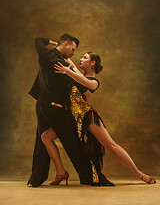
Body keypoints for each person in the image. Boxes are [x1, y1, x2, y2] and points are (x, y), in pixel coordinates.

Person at [51, 51, 156, 185]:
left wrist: (67, 70)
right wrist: (57, 49)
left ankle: (140, 174)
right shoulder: (79, 75)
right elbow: (73, 67)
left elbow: (84, 81)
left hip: (88, 117)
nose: (81, 59)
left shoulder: (94, 82)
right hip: (74, 119)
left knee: (111, 145)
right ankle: (61, 172)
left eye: (85, 58)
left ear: (92, 63)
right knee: (45, 137)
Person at [27, 35, 113, 187]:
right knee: (71, 143)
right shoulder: (61, 64)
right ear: (65, 44)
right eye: (72, 49)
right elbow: (81, 85)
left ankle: (43, 176)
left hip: (43, 105)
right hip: (54, 107)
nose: (74, 53)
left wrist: (53, 44)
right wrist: (75, 77)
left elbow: (38, 40)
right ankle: (83, 175)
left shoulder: (47, 55)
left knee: (45, 139)